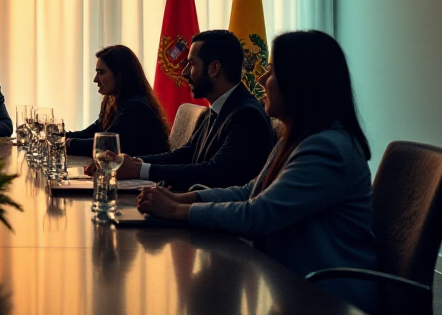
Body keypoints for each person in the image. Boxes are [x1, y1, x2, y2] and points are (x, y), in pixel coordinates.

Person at [136, 30, 378, 314]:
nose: (261, 80)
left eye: (273, 72)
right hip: (289, 285)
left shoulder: (326, 149)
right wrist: (184, 199)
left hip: (326, 298)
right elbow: (251, 190)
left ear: (300, 82)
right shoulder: (299, 137)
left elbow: (258, 215)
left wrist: (177, 212)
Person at [89, 30, 275, 188]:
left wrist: (139, 170)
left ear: (214, 69)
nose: (184, 72)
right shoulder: (216, 109)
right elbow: (185, 154)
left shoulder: (247, 114)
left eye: (191, 64)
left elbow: (215, 173)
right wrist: (128, 162)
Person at [66, 45, 170, 157]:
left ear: (120, 75)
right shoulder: (111, 102)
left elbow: (106, 145)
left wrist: (62, 143)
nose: (95, 79)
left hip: (142, 174)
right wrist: (55, 135)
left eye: (101, 73)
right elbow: (90, 134)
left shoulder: (136, 107)